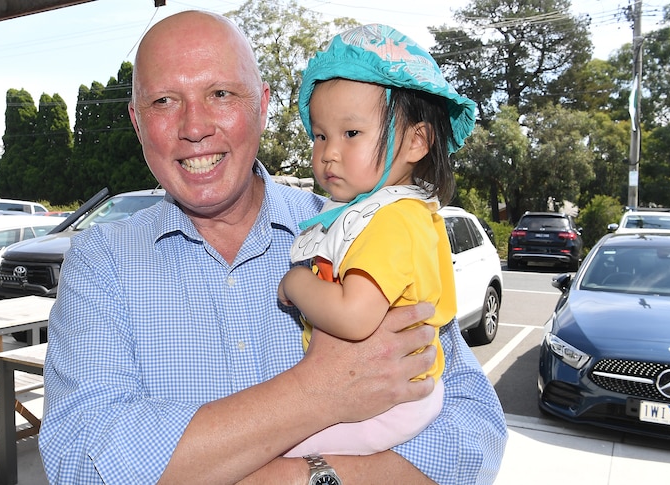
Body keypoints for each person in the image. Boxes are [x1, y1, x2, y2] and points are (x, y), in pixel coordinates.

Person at [39, 10, 507, 485]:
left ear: (262, 106)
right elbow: (80, 459)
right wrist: (315, 393)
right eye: (164, 101)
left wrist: (309, 476)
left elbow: (474, 426)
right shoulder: (101, 262)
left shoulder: (359, 230)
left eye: (220, 94)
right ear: (138, 124)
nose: (194, 126)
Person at [278, 24, 474, 457]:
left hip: (387, 406)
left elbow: (354, 317)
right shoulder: (397, 210)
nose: (328, 152)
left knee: (269, 448)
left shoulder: (391, 221)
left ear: (416, 141)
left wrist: (295, 283)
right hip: (399, 396)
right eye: (320, 135)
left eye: (351, 134)